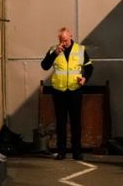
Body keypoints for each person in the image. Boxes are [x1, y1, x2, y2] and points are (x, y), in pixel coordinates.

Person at [40, 27, 94, 161]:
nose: (63, 43)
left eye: (65, 40)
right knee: (61, 122)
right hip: (59, 91)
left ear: (70, 36)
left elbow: (89, 66)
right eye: (61, 40)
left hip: (75, 89)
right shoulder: (54, 49)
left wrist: (84, 78)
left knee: (76, 122)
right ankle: (61, 151)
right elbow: (45, 66)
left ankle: (77, 152)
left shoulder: (80, 50)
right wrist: (55, 54)